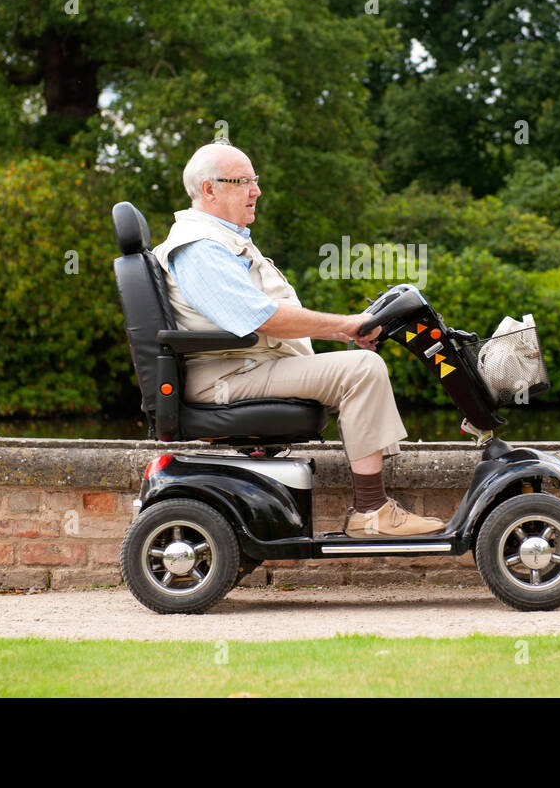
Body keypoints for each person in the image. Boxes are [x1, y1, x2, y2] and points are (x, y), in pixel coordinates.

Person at [151, 142, 446, 537]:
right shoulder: (200, 248)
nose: (255, 191)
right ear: (210, 190)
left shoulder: (218, 239)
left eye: (255, 181)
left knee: (358, 367)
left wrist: (343, 328)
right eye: (243, 182)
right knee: (361, 369)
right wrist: (344, 324)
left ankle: (374, 509)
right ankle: (372, 513)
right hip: (229, 377)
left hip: (245, 368)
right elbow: (260, 317)